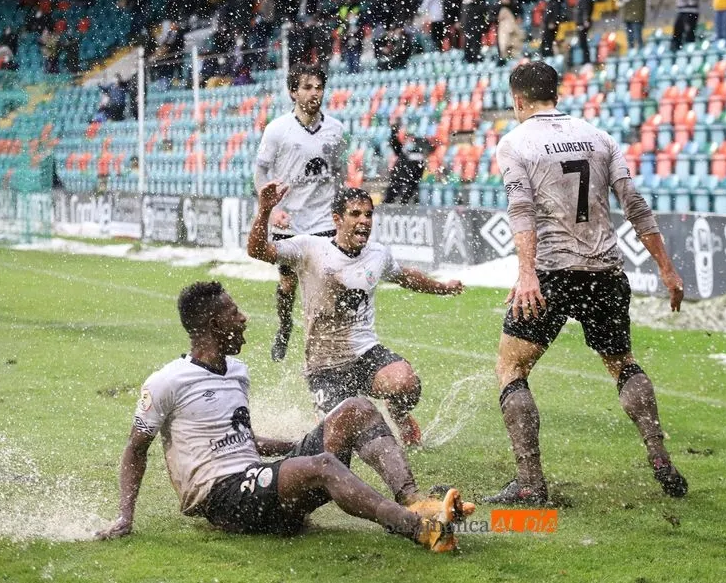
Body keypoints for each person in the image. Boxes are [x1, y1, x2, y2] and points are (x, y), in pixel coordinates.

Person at [96, 281, 473, 551]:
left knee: (355, 409)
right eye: (234, 313)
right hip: (224, 500)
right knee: (322, 465)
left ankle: (414, 501)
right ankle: (417, 528)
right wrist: (125, 517)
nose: (243, 318)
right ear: (213, 326)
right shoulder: (167, 381)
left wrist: (302, 444)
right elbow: (135, 449)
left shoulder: (237, 372)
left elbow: (244, 440)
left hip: (255, 483)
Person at [483, 61, 688, 505]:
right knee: (624, 365)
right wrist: (667, 269)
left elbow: (521, 210)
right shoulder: (599, 137)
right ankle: (659, 456)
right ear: (555, 93)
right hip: (606, 272)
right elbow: (635, 204)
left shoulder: (515, 143)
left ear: (518, 99)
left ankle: (530, 484)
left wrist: (525, 272)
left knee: (511, 369)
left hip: (554, 274)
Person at [247, 185, 464, 447]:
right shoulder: (308, 248)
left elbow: (404, 275)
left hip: (364, 353)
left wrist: (443, 288)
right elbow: (257, 251)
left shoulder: (378, 254)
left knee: (406, 382)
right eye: (355, 214)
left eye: (369, 214)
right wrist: (265, 210)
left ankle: (399, 414)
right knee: (341, 440)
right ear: (337, 219)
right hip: (323, 365)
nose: (364, 221)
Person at [254, 63, 349, 362]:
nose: (314, 93)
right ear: (293, 92)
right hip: (290, 220)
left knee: (329, 281)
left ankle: (332, 339)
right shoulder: (278, 130)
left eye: (318, 87)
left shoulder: (336, 130)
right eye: (307, 87)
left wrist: (341, 211)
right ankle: (284, 327)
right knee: (288, 283)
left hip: (323, 221)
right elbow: (260, 171)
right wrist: (271, 211)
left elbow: (340, 173)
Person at [384, 125, 430, 205]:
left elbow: (419, 170)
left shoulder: (418, 154)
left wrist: (415, 181)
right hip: (397, 179)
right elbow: (394, 142)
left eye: (411, 138)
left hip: (409, 181)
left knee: (404, 201)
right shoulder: (402, 150)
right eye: (407, 137)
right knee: (389, 198)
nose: (409, 140)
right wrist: (394, 129)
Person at [569, 0, 594, 66]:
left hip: (582, 24)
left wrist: (585, 20)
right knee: (582, 43)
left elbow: (585, 10)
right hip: (580, 23)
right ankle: (585, 59)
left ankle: (586, 60)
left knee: (583, 43)